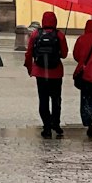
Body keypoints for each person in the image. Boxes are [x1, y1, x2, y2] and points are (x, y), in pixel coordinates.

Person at [24, 9, 68, 138]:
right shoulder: (59, 35)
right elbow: (64, 55)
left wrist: (30, 68)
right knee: (56, 99)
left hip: (40, 73)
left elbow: (29, 53)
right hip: (56, 73)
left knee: (43, 100)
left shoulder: (36, 34)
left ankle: (47, 127)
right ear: (55, 21)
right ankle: (56, 124)